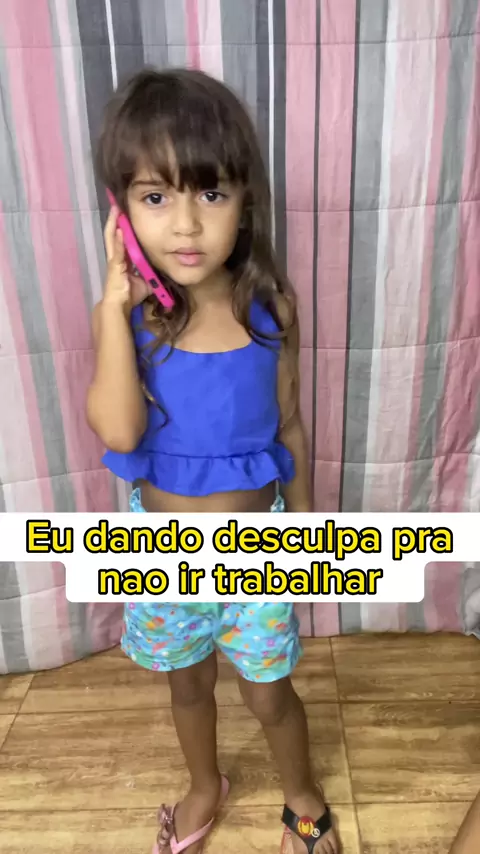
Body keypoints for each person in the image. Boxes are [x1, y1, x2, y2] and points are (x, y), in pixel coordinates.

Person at [87, 67, 339, 854]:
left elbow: (290, 425)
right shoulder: (132, 323)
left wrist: (306, 534)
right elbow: (119, 432)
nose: (187, 224)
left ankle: (301, 794)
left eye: (211, 193)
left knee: (269, 693)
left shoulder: (272, 309)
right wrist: (111, 306)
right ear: (122, 213)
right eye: (155, 197)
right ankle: (205, 783)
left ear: (244, 202)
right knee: (188, 683)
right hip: (161, 552)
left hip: (255, 549)